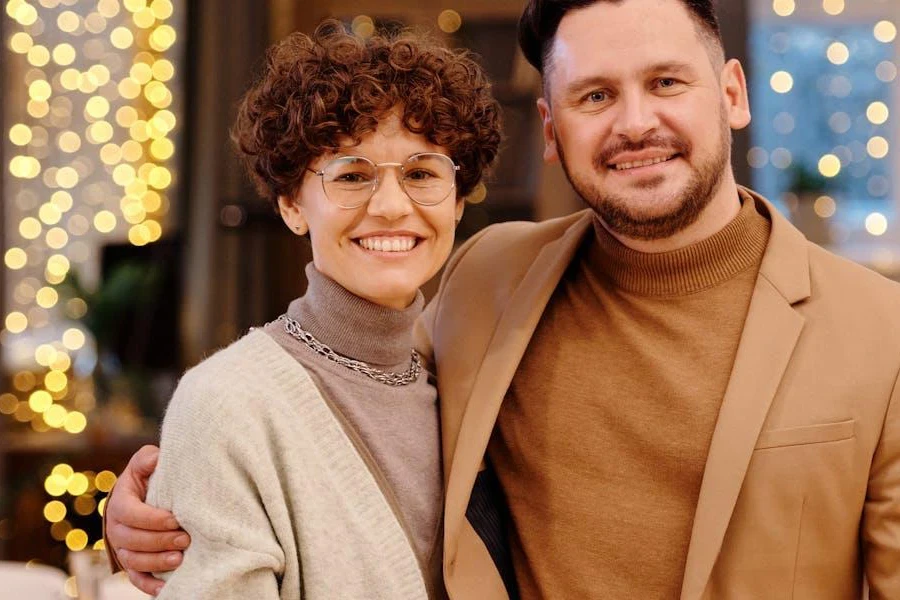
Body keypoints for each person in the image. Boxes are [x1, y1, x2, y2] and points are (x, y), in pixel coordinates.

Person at [106, 1, 900, 598]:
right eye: (594, 96)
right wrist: (170, 499)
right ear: (552, 131)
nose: (635, 122)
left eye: (665, 82)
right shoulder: (491, 279)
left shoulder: (881, 333)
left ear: (731, 92)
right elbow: (329, 390)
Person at [103, 20, 501, 599]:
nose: (392, 206)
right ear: (291, 203)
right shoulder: (225, 405)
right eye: (352, 175)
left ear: (458, 200)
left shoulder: (466, 378)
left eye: (421, 173)